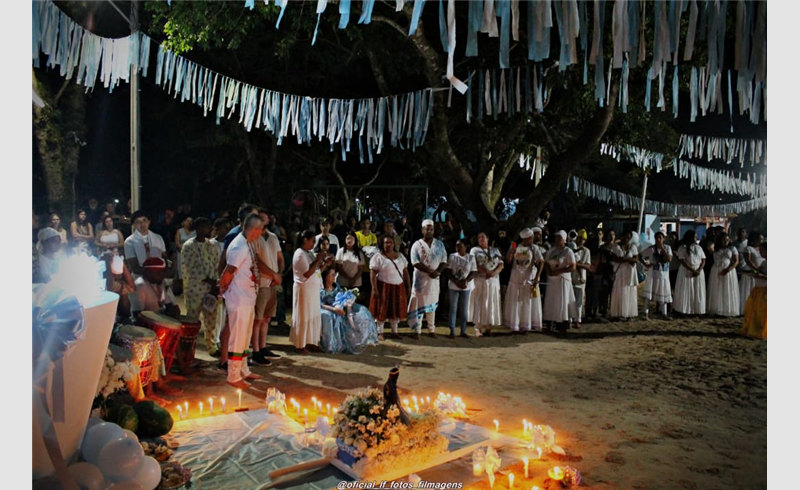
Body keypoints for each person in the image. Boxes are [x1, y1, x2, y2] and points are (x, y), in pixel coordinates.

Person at [218, 214, 265, 389]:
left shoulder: (246, 244)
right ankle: (233, 374)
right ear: (255, 229)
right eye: (261, 229)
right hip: (239, 298)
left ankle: (243, 369)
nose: (261, 232)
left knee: (244, 336)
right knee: (238, 337)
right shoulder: (239, 246)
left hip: (247, 297)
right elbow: (228, 272)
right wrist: (223, 290)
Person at [180, 218, 221, 356]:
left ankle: (212, 346)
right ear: (196, 228)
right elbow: (191, 268)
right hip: (194, 288)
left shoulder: (211, 245)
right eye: (203, 227)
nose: (206, 229)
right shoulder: (188, 246)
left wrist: (216, 283)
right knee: (193, 319)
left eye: (208, 227)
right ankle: (188, 347)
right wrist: (209, 280)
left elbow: (216, 265)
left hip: (210, 288)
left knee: (211, 318)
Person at [251, 209, 284, 365]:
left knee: (267, 317)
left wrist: (280, 274)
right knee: (257, 319)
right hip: (262, 283)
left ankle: (263, 347)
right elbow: (257, 262)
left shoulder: (273, 237)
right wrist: (274, 274)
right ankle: (255, 351)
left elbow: (280, 258)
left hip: (272, 283)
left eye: (264, 218)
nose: (263, 220)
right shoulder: (255, 238)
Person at [320, 268, 380, 354]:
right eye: (332, 275)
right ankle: (336, 343)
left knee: (362, 311)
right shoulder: (322, 290)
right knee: (336, 317)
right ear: (325, 277)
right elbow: (320, 304)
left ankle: (366, 338)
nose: (334, 277)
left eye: (334, 274)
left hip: (341, 307)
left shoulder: (336, 286)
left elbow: (342, 296)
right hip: (331, 309)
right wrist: (334, 309)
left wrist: (348, 302)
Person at [292, 230, 332, 353]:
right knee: (303, 316)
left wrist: (325, 263)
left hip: (313, 290)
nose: (314, 244)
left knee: (313, 316)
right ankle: (300, 344)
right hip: (304, 289)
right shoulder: (299, 254)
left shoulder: (308, 253)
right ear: (305, 240)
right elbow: (306, 273)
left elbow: (316, 270)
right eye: (313, 241)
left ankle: (310, 341)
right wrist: (317, 260)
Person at [407, 220, 448, 338]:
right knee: (419, 305)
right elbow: (414, 262)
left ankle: (431, 329)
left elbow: (444, 260)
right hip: (420, 282)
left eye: (431, 229)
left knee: (432, 306)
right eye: (427, 229)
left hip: (434, 281)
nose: (429, 231)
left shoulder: (439, 244)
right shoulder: (416, 244)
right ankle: (417, 331)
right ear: (422, 230)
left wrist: (438, 272)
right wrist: (429, 271)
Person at [370, 235, 411, 340]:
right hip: (383, 286)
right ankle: (380, 332)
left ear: (394, 244)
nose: (388, 244)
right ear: (382, 244)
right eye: (386, 243)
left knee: (395, 309)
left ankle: (394, 331)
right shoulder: (378, 257)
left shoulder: (401, 256)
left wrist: (408, 286)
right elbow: (373, 273)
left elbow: (405, 272)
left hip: (398, 287)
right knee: (381, 309)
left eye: (390, 242)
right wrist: (374, 288)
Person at [503, 228, 544, 333]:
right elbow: (508, 261)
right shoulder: (515, 246)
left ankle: (525, 324)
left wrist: (536, 278)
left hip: (527, 278)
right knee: (515, 301)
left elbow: (541, 262)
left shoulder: (534, 248)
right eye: (530, 238)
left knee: (526, 301)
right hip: (516, 277)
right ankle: (515, 324)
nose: (532, 240)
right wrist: (511, 252)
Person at [469, 232, 504, 337]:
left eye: (483, 237)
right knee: (479, 302)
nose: (481, 239)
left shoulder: (495, 250)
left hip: (493, 281)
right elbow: (473, 263)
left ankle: (488, 326)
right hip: (480, 281)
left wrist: (493, 273)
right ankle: (478, 328)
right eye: (479, 237)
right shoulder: (474, 250)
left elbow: (501, 264)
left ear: (488, 238)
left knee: (490, 302)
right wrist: (486, 272)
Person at [543, 231, 577, 332]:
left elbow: (573, 266)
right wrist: (549, 272)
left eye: (559, 238)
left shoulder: (568, 251)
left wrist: (559, 271)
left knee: (562, 301)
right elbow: (545, 263)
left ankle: (562, 322)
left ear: (564, 239)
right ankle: (550, 321)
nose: (557, 240)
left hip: (562, 280)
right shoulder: (551, 251)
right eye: (556, 238)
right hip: (552, 280)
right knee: (551, 301)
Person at [446, 240, 477, 339]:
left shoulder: (471, 258)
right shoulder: (452, 256)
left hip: (465, 287)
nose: (458, 248)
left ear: (465, 247)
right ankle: (452, 330)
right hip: (454, 286)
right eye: (457, 246)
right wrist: (457, 281)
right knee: (453, 309)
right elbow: (448, 271)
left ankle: (463, 330)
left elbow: (473, 272)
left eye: (460, 246)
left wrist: (466, 281)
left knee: (464, 310)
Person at [124, 210, 168, 279]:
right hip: (140, 278)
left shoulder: (158, 238)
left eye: (144, 220)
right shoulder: (129, 241)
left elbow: (164, 258)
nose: (142, 224)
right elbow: (134, 266)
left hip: (159, 276)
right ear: (134, 225)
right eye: (138, 222)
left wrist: (162, 272)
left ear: (149, 222)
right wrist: (152, 274)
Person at [640, 231, 673, 320]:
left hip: (664, 274)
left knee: (663, 293)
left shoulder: (667, 248)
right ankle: (645, 313)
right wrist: (646, 264)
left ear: (663, 239)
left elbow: (668, 259)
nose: (658, 239)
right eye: (656, 238)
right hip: (653, 273)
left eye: (660, 238)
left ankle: (664, 313)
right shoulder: (651, 249)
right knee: (649, 294)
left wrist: (662, 248)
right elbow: (640, 255)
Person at [673, 230, 707, 315]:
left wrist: (698, 270)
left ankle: (696, 310)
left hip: (698, 271)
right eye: (695, 236)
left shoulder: (698, 248)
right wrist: (692, 270)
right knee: (686, 290)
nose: (696, 238)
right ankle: (685, 310)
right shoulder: (682, 247)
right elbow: (682, 261)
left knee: (697, 290)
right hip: (686, 270)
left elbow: (703, 260)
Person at [707, 232, 740, 317]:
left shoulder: (732, 248)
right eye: (724, 240)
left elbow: (736, 261)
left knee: (727, 289)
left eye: (727, 240)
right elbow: (709, 247)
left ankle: (727, 310)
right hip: (716, 270)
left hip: (728, 271)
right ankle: (716, 309)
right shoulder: (716, 249)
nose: (726, 242)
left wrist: (728, 269)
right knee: (717, 289)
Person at [609, 231, 639, 320]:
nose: (626, 239)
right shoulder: (616, 246)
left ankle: (629, 313)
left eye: (628, 237)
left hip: (629, 273)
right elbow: (615, 258)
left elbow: (636, 259)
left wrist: (625, 259)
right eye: (625, 237)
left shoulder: (633, 247)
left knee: (629, 292)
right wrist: (628, 260)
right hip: (619, 272)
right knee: (619, 291)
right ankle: (617, 313)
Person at [740, 242, 766, 339]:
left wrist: (761, 276)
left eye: (762, 250)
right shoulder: (764, 262)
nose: (760, 252)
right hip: (759, 288)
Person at [101, 251, 135, 318]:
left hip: (121, 315)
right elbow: (109, 288)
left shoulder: (119, 284)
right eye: (116, 275)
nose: (119, 276)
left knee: (125, 295)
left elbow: (132, 287)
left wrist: (122, 264)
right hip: (107, 315)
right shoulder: (104, 283)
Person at [738, 232, 764, 315]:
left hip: (762, 272)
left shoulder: (762, 249)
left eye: (762, 239)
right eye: (759, 239)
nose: (761, 240)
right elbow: (748, 261)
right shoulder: (748, 248)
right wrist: (756, 269)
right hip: (752, 272)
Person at [571, 230, 591, 328]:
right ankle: (569, 319)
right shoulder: (571, 248)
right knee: (570, 299)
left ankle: (577, 319)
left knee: (579, 301)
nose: (581, 241)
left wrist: (576, 264)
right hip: (570, 277)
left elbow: (587, 266)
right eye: (579, 238)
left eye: (583, 239)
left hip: (581, 278)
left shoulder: (586, 251)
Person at [598, 230, 617, 317]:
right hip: (605, 272)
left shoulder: (617, 247)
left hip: (615, 272)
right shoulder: (603, 248)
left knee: (614, 293)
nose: (611, 236)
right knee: (604, 293)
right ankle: (604, 310)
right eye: (609, 234)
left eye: (613, 234)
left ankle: (613, 311)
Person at [174, 216, 196, 285]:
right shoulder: (179, 231)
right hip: (181, 253)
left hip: (191, 253)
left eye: (191, 221)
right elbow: (177, 242)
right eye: (188, 221)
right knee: (181, 270)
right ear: (183, 222)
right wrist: (183, 250)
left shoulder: (194, 232)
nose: (190, 223)